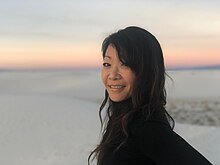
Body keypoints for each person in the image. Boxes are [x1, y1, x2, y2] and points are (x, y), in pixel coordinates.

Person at [88, 26, 212, 165]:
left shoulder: (146, 126)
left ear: (146, 72)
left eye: (125, 64)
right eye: (107, 64)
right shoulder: (123, 118)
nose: (113, 75)